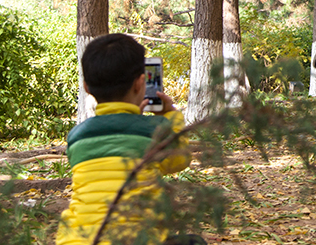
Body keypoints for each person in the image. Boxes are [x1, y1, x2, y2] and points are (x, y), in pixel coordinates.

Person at [56, 33, 205, 245]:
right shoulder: (155, 131)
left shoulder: (76, 137)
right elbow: (180, 160)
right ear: (140, 83)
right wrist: (169, 115)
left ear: (87, 87)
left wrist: (134, 119)